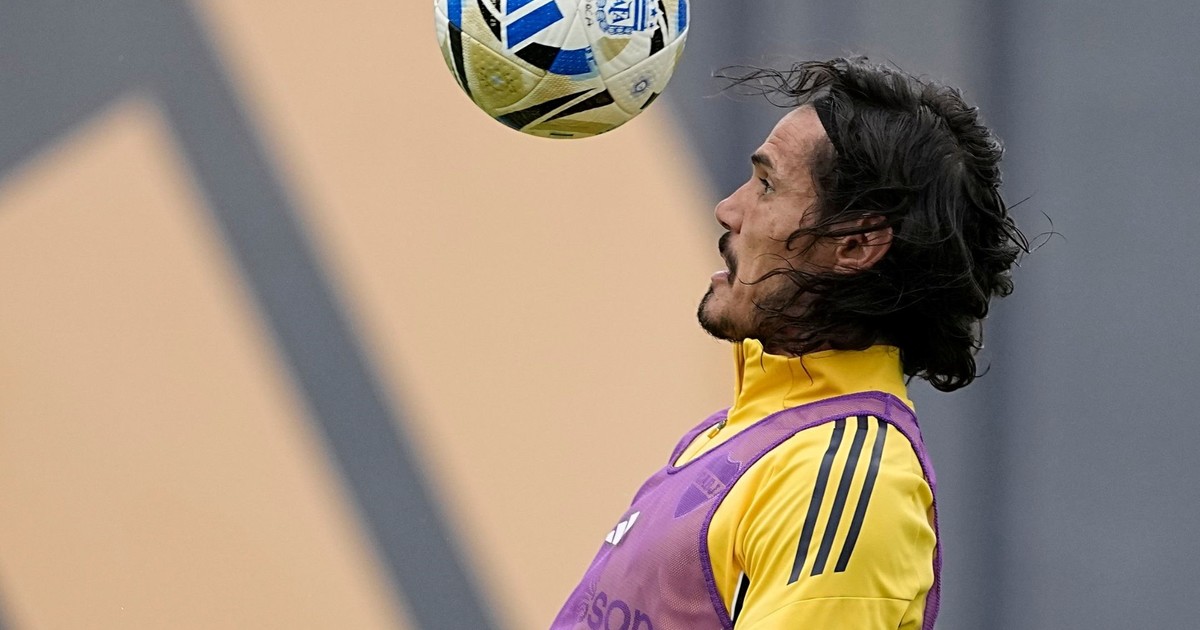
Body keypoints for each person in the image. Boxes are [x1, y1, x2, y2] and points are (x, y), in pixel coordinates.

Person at [550, 57, 1027, 629]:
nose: (729, 210)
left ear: (855, 246)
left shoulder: (845, 482)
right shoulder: (739, 435)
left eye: (767, 185)